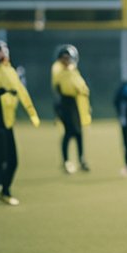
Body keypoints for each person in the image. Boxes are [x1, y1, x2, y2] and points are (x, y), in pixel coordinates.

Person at [0, 39, 40, 205]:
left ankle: (5, 189)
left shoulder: (11, 72)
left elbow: (22, 92)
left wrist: (32, 114)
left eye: (0, 51)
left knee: (13, 161)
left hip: (8, 122)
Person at [51, 44, 92, 173]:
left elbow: (82, 88)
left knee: (79, 133)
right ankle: (66, 161)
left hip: (74, 104)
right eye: (64, 58)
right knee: (69, 132)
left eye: (68, 58)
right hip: (64, 103)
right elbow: (64, 86)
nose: (66, 60)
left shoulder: (73, 70)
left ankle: (81, 159)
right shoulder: (59, 70)